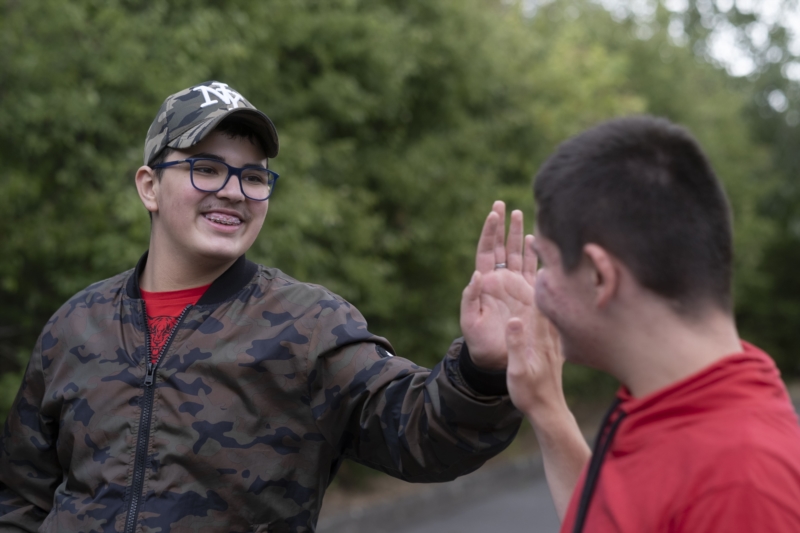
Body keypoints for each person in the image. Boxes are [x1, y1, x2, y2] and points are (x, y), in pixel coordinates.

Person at [0, 81, 533, 533]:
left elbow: (422, 435)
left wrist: (481, 369)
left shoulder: (308, 326)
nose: (233, 192)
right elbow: (21, 495)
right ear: (149, 187)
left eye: (253, 177)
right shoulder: (76, 325)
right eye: (206, 168)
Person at [503, 116, 800, 532]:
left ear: (599, 276)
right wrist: (545, 407)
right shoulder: (674, 403)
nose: (538, 288)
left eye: (547, 264)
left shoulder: (741, 485)